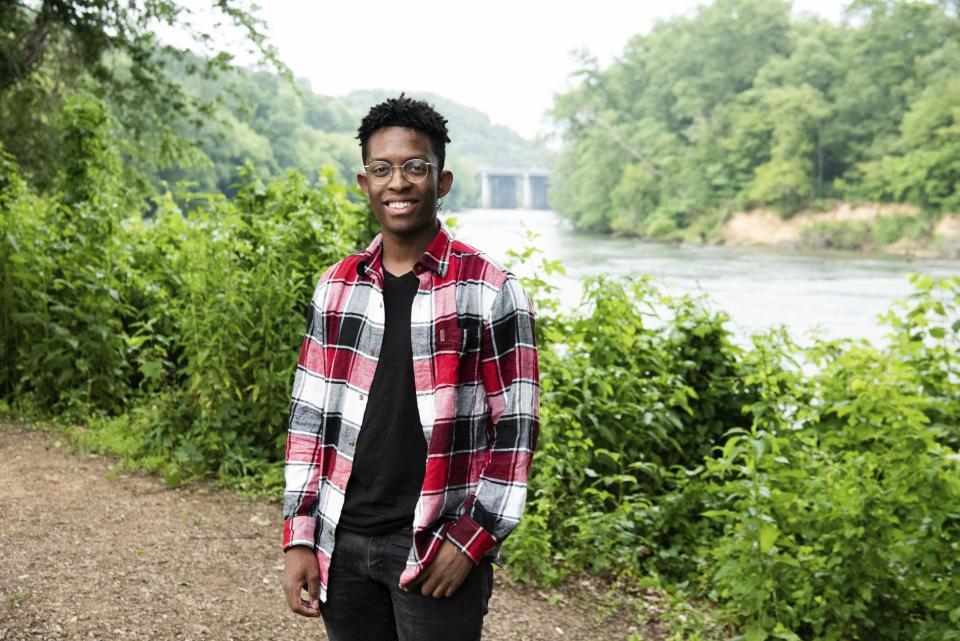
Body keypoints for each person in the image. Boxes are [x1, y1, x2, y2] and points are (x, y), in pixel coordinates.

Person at [280, 94, 540, 641]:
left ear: (441, 182)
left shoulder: (491, 290)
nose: (398, 182)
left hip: (433, 545)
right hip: (341, 540)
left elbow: (515, 430)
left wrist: (473, 539)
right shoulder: (337, 286)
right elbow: (309, 420)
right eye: (383, 169)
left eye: (415, 167)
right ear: (365, 183)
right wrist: (301, 535)